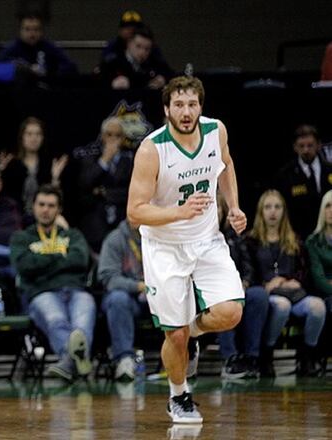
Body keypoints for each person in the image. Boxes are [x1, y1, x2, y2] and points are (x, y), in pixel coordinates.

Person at [127, 76, 246, 424]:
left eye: (192, 104)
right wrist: (180, 212)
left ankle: (192, 332)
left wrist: (234, 206)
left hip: (206, 239)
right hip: (164, 245)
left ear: (200, 107)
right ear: (166, 109)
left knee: (230, 312)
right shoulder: (152, 149)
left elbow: (226, 164)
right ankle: (179, 396)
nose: (186, 111)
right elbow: (135, 212)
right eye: (178, 105)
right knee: (172, 333)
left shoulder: (216, 131)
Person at [9, 184, 96, 382]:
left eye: (51, 205)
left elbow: (81, 260)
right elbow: (24, 265)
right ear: (33, 207)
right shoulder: (21, 237)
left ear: (59, 209)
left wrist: (42, 261)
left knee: (81, 323)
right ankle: (77, 360)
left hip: (77, 290)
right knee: (56, 319)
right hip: (41, 292)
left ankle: (67, 361)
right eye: (41, 204)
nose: (46, 209)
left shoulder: (72, 235)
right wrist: (61, 257)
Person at [246, 190, 326, 377]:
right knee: (281, 306)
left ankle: (307, 357)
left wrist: (295, 281)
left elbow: (304, 271)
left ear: (284, 211)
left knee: (318, 306)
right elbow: (248, 271)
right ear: (261, 211)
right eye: (268, 207)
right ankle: (267, 354)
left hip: (293, 293)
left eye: (277, 207)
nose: (273, 212)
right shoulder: (251, 241)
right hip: (269, 294)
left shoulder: (294, 239)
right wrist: (266, 284)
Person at [215, 195, 269, 380]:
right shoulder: (196, 238)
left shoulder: (234, 237)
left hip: (236, 287)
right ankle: (231, 359)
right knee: (223, 299)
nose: (216, 213)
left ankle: (252, 356)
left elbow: (248, 268)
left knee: (259, 295)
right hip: (211, 292)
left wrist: (244, 284)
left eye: (219, 209)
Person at [97, 219, 149, 381]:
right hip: (131, 300)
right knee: (117, 299)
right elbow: (109, 279)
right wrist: (139, 286)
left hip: (159, 297)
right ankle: (124, 359)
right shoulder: (115, 239)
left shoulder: (164, 236)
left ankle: (185, 356)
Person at [76, 116, 134, 252]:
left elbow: (130, 192)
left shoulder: (130, 161)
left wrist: (104, 192)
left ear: (123, 138)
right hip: (95, 226)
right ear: (102, 136)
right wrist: (105, 160)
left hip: (122, 223)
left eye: (118, 135)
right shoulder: (90, 159)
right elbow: (84, 184)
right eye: (109, 134)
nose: (113, 138)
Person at [0, 117, 68, 216]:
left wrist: (55, 178)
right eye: (29, 134)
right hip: (15, 216)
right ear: (22, 137)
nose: (34, 138)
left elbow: (55, 197)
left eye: (38, 134)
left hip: (43, 216)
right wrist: (0, 171)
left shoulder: (49, 164)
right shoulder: (12, 164)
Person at [275, 125, 332, 239]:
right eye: (301, 146)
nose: (306, 150)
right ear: (295, 147)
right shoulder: (286, 175)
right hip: (299, 236)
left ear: (319, 145)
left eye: (310, 145)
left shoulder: (329, 170)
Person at [0, 13, 78, 82]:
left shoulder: (49, 47)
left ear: (41, 32)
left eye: (36, 29)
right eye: (27, 29)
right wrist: (25, 69)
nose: (32, 34)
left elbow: (70, 66)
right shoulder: (12, 48)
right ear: (20, 31)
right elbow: (0, 64)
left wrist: (50, 72)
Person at [98, 26, 172, 90]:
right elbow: (96, 82)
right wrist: (111, 84)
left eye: (147, 49)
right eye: (138, 46)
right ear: (129, 43)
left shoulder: (154, 62)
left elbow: (171, 74)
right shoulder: (113, 63)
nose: (142, 52)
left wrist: (163, 79)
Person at [305, 189, 332, 362]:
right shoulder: (313, 241)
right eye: (328, 206)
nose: (331, 211)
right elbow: (319, 279)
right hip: (323, 294)